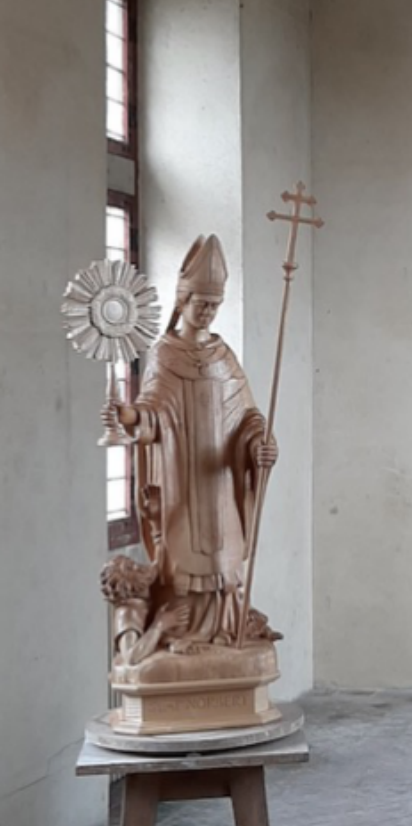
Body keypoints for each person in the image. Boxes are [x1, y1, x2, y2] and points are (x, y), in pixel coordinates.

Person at [103, 235, 278, 653]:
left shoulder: (223, 356)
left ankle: (223, 630)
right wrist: (129, 417)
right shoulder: (165, 355)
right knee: (184, 561)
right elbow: (152, 414)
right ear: (182, 300)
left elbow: (247, 415)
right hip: (181, 481)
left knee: (223, 561)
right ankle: (180, 633)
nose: (209, 311)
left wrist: (259, 443)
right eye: (202, 303)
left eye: (215, 305)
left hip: (220, 483)